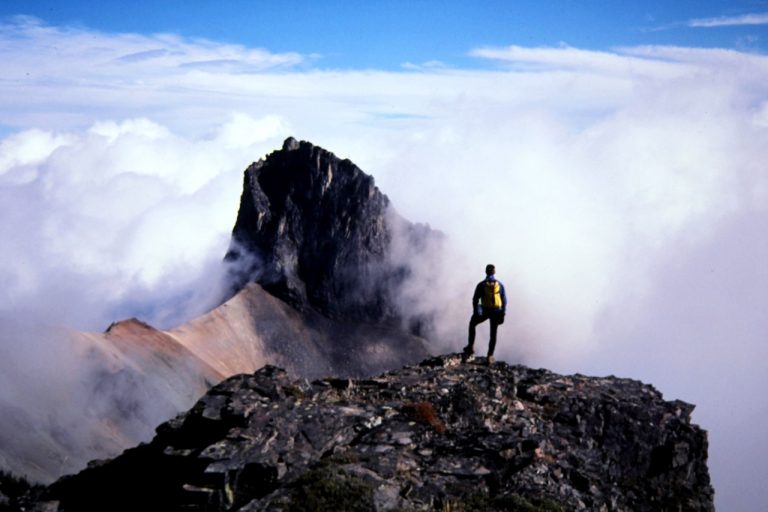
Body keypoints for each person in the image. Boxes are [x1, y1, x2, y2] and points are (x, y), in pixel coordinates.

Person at [463, 264, 507, 364]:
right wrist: (503, 314)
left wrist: (476, 311)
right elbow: (504, 300)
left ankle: (470, 347)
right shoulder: (499, 285)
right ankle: (490, 356)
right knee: (493, 334)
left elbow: (475, 299)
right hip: (496, 311)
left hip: (485, 310)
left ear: (486, 272)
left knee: (472, 324)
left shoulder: (481, 284)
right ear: (494, 272)